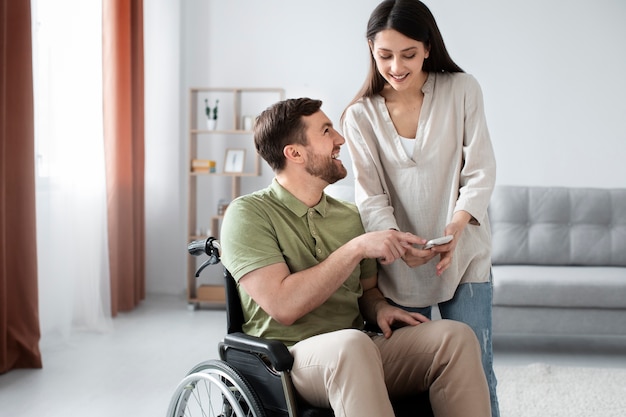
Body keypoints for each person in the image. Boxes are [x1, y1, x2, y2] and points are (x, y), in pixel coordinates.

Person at [221, 97, 491, 417]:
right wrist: (356, 248)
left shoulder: (349, 216)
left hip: (359, 348)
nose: (340, 139)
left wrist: (380, 309)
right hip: (287, 361)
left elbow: (368, 292)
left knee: (454, 337)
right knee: (352, 345)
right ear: (294, 153)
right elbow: (284, 306)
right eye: (326, 131)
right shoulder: (248, 213)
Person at [341, 1, 499, 416]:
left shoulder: (463, 89)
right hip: (400, 264)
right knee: (408, 380)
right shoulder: (359, 116)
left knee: (477, 371)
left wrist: (458, 224)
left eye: (408, 54)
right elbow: (370, 196)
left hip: (463, 254)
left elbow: (480, 170)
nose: (396, 66)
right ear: (371, 50)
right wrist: (396, 242)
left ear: (428, 47)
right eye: (385, 55)